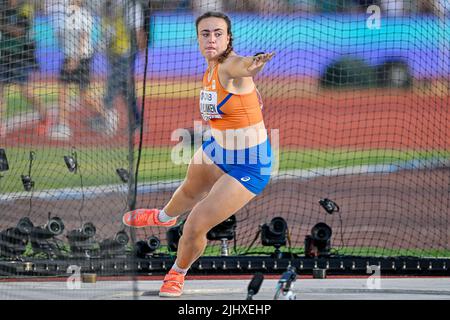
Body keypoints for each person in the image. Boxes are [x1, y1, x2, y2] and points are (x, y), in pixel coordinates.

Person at [122, 11, 274, 298]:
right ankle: (165, 216)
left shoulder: (230, 67)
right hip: (217, 148)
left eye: (218, 33)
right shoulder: (210, 68)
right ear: (198, 39)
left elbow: (243, 67)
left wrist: (254, 64)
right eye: (205, 34)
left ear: (229, 38)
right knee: (190, 189)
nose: (212, 38)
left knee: (194, 224)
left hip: (250, 163)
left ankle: (177, 273)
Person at [49, 0, 105, 139]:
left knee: (84, 95)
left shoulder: (84, 15)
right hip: (69, 57)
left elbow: (83, 38)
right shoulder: (64, 14)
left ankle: (105, 115)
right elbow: (61, 35)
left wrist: (75, 59)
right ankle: (63, 125)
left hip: (81, 59)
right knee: (63, 89)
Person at [0, 0, 48, 137]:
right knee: (0, 91)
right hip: (4, 54)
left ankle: (45, 116)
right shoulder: (3, 6)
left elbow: (20, 31)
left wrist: (2, 25)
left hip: (20, 56)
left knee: (26, 92)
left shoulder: (25, 8)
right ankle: (1, 125)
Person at [99, 0, 145, 135]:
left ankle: (108, 122)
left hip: (125, 53)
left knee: (111, 89)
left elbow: (138, 30)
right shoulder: (108, 6)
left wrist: (142, 53)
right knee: (126, 90)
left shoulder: (131, 6)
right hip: (113, 54)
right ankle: (137, 122)